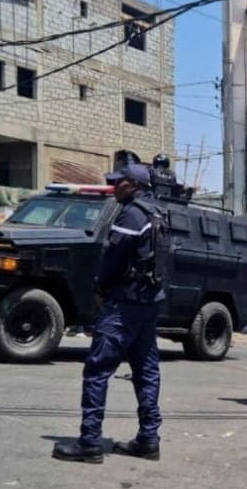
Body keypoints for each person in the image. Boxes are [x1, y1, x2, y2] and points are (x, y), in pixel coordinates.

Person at [53, 164, 165, 463]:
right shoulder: (156, 212)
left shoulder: (131, 214)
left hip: (123, 305)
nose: (114, 188)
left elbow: (113, 258)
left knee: (97, 371)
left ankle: (90, 443)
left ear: (133, 185)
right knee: (146, 372)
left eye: (118, 183)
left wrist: (100, 286)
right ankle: (148, 439)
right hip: (148, 304)